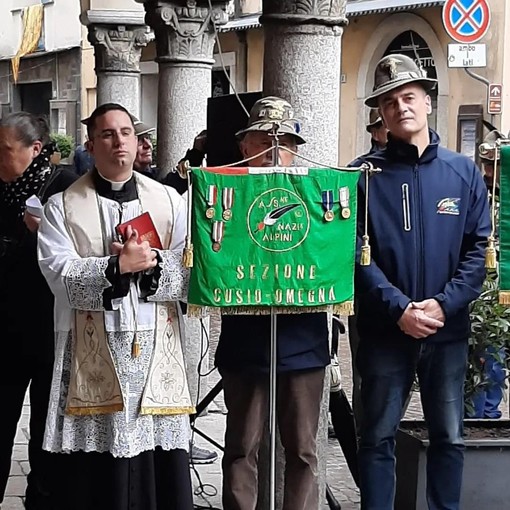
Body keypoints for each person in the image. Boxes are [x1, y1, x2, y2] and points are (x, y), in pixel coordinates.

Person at [37, 103, 195, 510]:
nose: (119, 141)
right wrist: (115, 267)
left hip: (155, 343)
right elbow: (57, 272)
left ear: (137, 140)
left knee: (157, 459)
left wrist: (153, 263)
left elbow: (191, 267)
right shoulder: (63, 206)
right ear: (91, 144)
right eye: (107, 134)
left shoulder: (168, 201)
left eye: (126, 132)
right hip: (93, 347)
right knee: (94, 472)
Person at [353, 54, 491, 510]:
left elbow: (478, 249)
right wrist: (399, 309)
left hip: (446, 331)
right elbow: (354, 253)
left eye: (408, 97)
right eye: (389, 102)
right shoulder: (361, 178)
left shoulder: (463, 172)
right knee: (376, 437)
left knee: (449, 436)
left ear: (427, 102)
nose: (400, 108)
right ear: (381, 114)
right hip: (383, 330)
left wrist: (442, 305)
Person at [216, 96, 330, 510]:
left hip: (304, 344)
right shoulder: (224, 196)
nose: (273, 150)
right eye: (263, 139)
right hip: (246, 346)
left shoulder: (319, 198)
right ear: (245, 146)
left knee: (302, 450)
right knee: (242, 447)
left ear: (297, 150)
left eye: (283, 142)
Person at [0, 112, 77, 510]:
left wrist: (42, 233)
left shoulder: (64, 189)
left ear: (34, 150)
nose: (0, 158)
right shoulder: (3, 189)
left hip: (51, 331)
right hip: (5, 331)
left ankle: (42, 501)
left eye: (5, 151)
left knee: (47, 431)